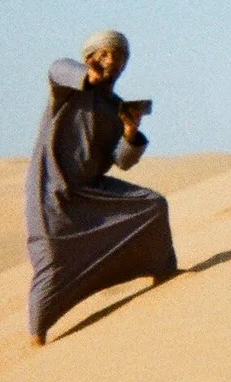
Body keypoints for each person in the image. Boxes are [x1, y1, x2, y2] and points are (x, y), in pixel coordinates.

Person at [24, 29, 178, 344]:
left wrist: (130, 132)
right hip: (52, 192)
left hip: (93, 192)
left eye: (119, 57)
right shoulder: (68, 91)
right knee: (52, 258)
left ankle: (162, 270)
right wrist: (86, 75)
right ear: (90, 57)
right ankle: (36, 336)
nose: (113, 62)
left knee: (152, 206)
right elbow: (56, 68)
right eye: (106, 54)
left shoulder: (117, 107)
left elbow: (122, 160)